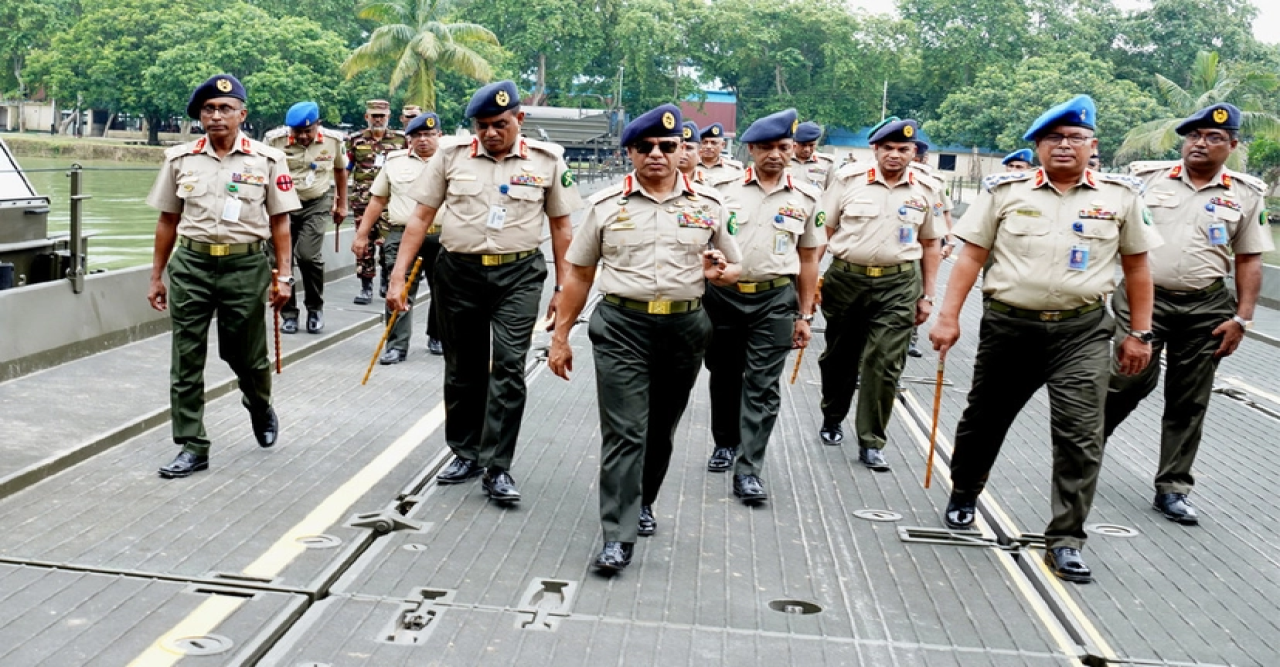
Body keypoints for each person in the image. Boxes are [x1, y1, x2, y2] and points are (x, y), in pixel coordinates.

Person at [930, 94, 1161, 584]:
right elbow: (970, 258)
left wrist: (1139, 333)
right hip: (1009, 328)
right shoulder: (1004, 192)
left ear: (1092, 145)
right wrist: (948, 317)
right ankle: (965, 491)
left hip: (1082, 332)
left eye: (1076, 138)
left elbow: (1139, 269)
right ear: (1037, 146)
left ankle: (1066, 539)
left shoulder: (1121, 198)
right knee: (983, 420)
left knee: (1081, 435)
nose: (1064, 145)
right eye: (1053, 138)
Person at [547, 104, 741, 573]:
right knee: (625, 431)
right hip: (621, 325)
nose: (656, 154)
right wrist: (561, 336)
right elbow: (580, 274)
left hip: (684, 326)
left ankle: (645, 500)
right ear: (630, 152)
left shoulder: (709, 206)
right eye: (645, 147)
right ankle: (618, 532)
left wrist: (721, 274)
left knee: (660, 430)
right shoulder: (606, 206)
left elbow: (734, 267)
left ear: (681, 152)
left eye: (667, 146)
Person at [388, 81, 582, 504]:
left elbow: (562, 227)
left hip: (518, 275)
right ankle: (466, 451)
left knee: (510, 366)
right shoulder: (450, 157)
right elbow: (419, 218)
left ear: (519, 119)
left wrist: (563, 287)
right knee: (463, 370)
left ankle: (498, 465)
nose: (491, 133)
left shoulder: (548, 162)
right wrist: (397, 275)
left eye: (500, 124)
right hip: (458, 274)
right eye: (482, 126)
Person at [1104, 103, 1273, 525]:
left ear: (1232, 145)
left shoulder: (1246, 194)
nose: (1200, 143)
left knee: (1189, 399)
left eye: (1213, 137)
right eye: (1193, 135)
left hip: (1207, 305)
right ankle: (1087, 442)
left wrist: (1243, 318)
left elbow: (1249, 260)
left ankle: (1173, 487)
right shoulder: (1146, 181)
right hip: (1146, 298)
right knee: (1131, 377)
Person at [145, 74, 300, 478]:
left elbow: (280, 222)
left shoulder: (267, 159)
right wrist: (156, 276)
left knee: (245, 355)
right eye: (209, 109)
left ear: (242, 114)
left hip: (245, 266)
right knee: (186, 358)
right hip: (191, 266)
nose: (216, 116)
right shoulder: (180, 159)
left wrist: (284, 277)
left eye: (225, 109)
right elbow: (167, 220)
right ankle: (192, 444)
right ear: (200, 115)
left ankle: (259, 403)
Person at [702, 109, 824, 504]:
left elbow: (808, 259)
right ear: (751, 149)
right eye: (767, 147)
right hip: (723, 297)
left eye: (783, 147)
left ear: (792, 150)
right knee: (724, 372)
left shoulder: (807, 198)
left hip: (775, 299)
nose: (776, 154)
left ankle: (749, 467)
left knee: (762, 383)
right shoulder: (722, 190)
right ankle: (725, 441)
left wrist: (804, 314)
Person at [817, 118, 943, 471]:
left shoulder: (926, 188)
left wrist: (928, 295)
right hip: (846, 280)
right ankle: (832, 414)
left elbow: (931, 244)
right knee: (840, 356)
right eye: (887, 148)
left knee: (884, 362)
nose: (895, 155)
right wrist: (810, 281)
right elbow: (823, 231)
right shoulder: (848, 180)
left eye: (903, 149)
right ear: (875, 150)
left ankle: (871, 440)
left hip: (899, 284)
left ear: (914, 152)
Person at [353, 112, 443, 364]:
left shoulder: (453, 161)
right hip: (401, 234)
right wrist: (362, 235)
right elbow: (378, 200)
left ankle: (438, 336)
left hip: (443, 236)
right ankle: (396, 345)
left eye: (428, 135)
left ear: (439, 136)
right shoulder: (394, 162)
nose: (423, 140)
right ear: (408, 139)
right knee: (398, 288)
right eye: (417, 136)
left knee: (444, 290)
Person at [264, 101, 347, 334]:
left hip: (316, 203)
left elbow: (341, 170)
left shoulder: (333, 141)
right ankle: (288, 314)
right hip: (281, 205)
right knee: (279, 261)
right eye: (296, 132)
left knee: (308, 256)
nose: (302, 136)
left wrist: (342, 204)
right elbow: (262, 173)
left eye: (307, 131)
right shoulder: (274, 141)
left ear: (318, 125)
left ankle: (315, 307)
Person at [349, 100, 406, 305]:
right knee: (364, 245)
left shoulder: (401, 140)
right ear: (367, 117)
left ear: (389, 116)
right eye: (374, 116)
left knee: (388, 244)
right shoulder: (354, 140)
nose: (378, 119)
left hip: (390, 202)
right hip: (363, 202)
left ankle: (385, 280)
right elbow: (345, 168)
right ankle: (365, 287)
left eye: (381, 116)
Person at [788, 120, 836, 190]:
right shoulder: (784, 161)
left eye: (811, 145)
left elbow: (831, 192)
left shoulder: (826, 163)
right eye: (803, 145)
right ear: (795, 143)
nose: (807, 149)